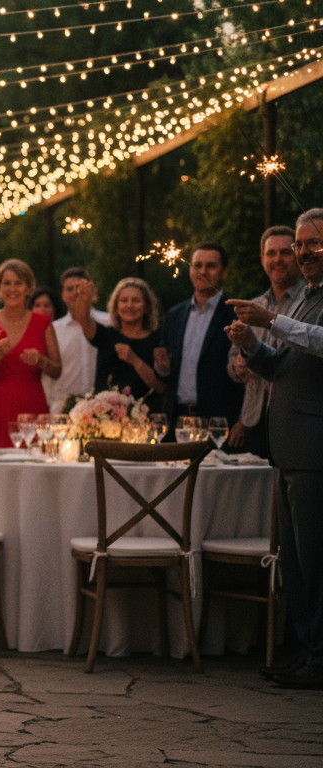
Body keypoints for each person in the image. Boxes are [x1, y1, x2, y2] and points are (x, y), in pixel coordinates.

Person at [226, 208, 323, 690]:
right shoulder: (305, 297)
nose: (304, 252)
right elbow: (282, 368)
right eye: (300, 244)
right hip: (285, 447)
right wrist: (250, 345)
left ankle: (319, 658)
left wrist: (272, 321)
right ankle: (307, 652)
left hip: (314, 446)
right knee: (294, 559)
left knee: (316, 558)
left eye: (312, 243)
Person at [227, 226, 304, 459]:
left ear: (298, 256)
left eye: (285, 252)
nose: (277, 259)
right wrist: (240, 364)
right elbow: (231, 366)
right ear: (262, 260)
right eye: (271, 253)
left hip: (295, 420)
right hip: (254, 422)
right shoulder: (252, 306)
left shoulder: (310, 303)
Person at [0, 260, 60, 450]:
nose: (12, 289)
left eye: (18, 283)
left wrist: (41, 361)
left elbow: (57, 370)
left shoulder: (43, 323)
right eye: (7, 283)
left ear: (29, 288)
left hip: (32, 404)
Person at [163, 242, 244, 444]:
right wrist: (161, 367)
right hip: (177, 422)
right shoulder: (174, 315)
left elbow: (249, 373)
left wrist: (244, 421)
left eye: (211, 266)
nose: (203, 271)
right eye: (197, 265)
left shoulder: (237, 314)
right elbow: (167, 373)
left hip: (220, 424)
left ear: (224, 272)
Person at [78, 277, 168, 411]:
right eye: (124, 301)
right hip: (104, 419)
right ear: (116, 307)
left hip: (144, 420)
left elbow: (160, 386)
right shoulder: (106, 335)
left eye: (136, 301)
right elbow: (84, 320)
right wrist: (85, 299)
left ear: (146, 307)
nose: (129, 305)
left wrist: (134, 360)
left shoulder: (158, 340)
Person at [47, 267, 112, 414]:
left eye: (80, 288)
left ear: (91, 291)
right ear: (62, 295)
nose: (76, 293)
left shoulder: (109, 322)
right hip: (63, 411)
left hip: (103, 410)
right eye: (70, 289)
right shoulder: (53, 330)